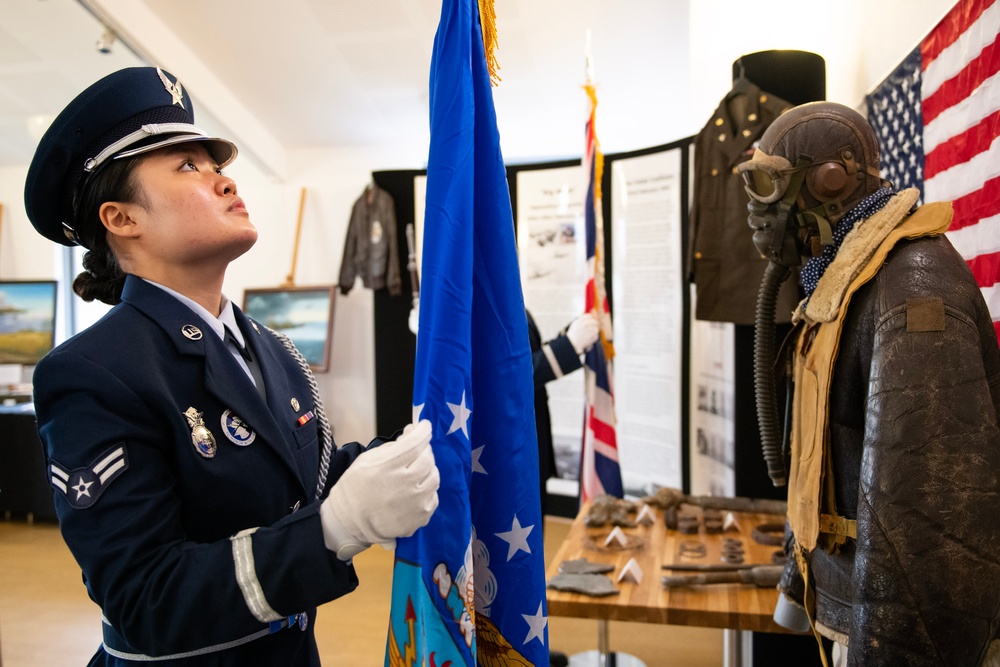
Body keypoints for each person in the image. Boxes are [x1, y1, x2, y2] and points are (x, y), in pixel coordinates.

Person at [24, 67, 440, 666]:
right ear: (122, 219)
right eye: (188, 166)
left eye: (216, 165)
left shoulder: (271, 350)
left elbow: (307, 484)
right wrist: (334, 529)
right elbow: (144, 597)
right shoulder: (93, 370)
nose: (224, 180)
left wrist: (410, 455)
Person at [738, 101, 1000, 665]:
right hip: (852, 605)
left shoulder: (911, 289)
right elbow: (827, 463)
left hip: (891, 625)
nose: (759, 209)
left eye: (771, 185)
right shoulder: (846, 279)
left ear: (831, 180)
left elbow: (927, 529)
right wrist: (797, 576)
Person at [526, 310, 599, 519]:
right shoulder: (484, 301)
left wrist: (568, 336)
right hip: (513, 445)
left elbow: (526, 353)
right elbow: (506, 377)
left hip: (532, 435)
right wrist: (568, 345)